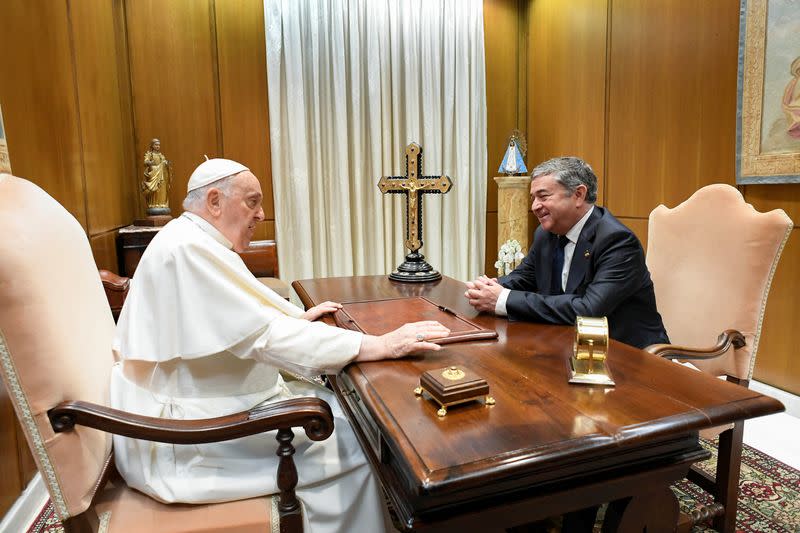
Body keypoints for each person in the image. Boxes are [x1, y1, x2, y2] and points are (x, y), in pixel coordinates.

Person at [111, 158, 450, 533]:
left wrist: (296, 320)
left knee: (349, 410)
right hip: (193, 439)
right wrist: (378, 344)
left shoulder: (191, 238)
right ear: (213, 200)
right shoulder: (189, 248)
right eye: (252, 202)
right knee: (361, 438)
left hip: (208, 406)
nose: (261, 214)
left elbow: (240, 319)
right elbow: (262, 337)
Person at [465, 156, 668, 349]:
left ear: (578, 195)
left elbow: (587, 310)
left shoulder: (617, 241)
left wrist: (503, 300)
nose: (534, 206)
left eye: (543, 196)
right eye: (533, 198)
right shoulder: (546, 234)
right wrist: (488, 288)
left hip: (629, 355)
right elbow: (524, 277)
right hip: (567, 347)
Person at [142, 138, 171, 214]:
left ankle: (162, 204)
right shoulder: (150, 154)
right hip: (154, 174)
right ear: (152, 145)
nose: (158, 146)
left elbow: (164, 163)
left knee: (161, 189)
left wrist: (166, 164)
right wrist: (150, 163)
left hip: (162, 176)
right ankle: (154, 204)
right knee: (155, 190)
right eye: (156, 145)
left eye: (159, 145)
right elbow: (145, 162)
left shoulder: (161, 155)